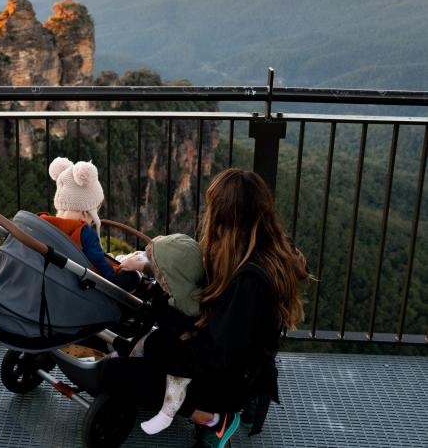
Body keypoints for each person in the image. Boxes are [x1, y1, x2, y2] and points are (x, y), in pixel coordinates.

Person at [100, 168, 309, 448]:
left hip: (229, 379)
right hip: (239, 363)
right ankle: (222, 402)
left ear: (222, 216)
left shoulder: (249, 281)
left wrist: (161, 346)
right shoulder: (256, 252)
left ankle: (212, 417)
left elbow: (216, 355)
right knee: (145, 349)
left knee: (113, 372)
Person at [118, 233, 204, 435]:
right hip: (164, 335)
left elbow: (200, 321)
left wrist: (192, 331)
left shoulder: (190, 303)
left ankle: (167, 413)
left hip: (182, 350)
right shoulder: (178, 281)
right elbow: (167, 270)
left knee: (177, 377)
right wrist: (139, 266)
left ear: (171, 277)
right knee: (142, 345)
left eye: (161, 274)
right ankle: (129, 364)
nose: (159, 277)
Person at [38, 157, 138, 292]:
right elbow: (100, 265)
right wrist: (116, 275)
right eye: (95, 213)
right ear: (86, 213)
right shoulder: (84, 233)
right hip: (78, 288)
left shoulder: (42, 223)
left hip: (49, 279)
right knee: (131, 278)